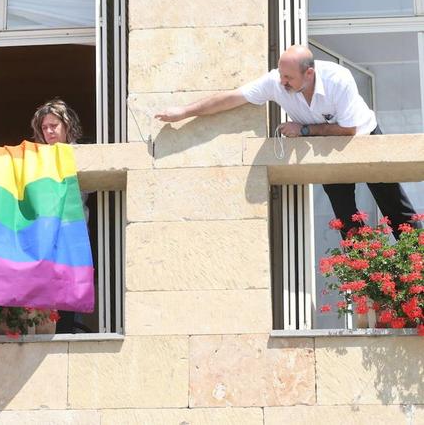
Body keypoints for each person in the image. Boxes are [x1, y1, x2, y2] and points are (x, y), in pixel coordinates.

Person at [155, 44, 420, 238]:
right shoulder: (277, 82)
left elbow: (348, 131)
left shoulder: (338, 79)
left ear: (310, 73)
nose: (282, 82)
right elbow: (232, 98)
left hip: (363, 137)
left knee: (396, 209)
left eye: (289, 77)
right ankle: (367, 282)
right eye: (281, 75)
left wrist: (303, 130)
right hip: (326, 148)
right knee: (345, 216)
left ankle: (417, 278)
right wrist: (183, 111)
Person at [30, 99, 91, 333]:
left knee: (70, 284)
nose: (49, 131)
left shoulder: (80, 153)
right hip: (44, 234)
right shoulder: (38, 156)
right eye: (44, 127)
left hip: (73, 232)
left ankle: (66, 330)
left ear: (66, 126)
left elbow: (90, 189)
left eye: (54, 125)